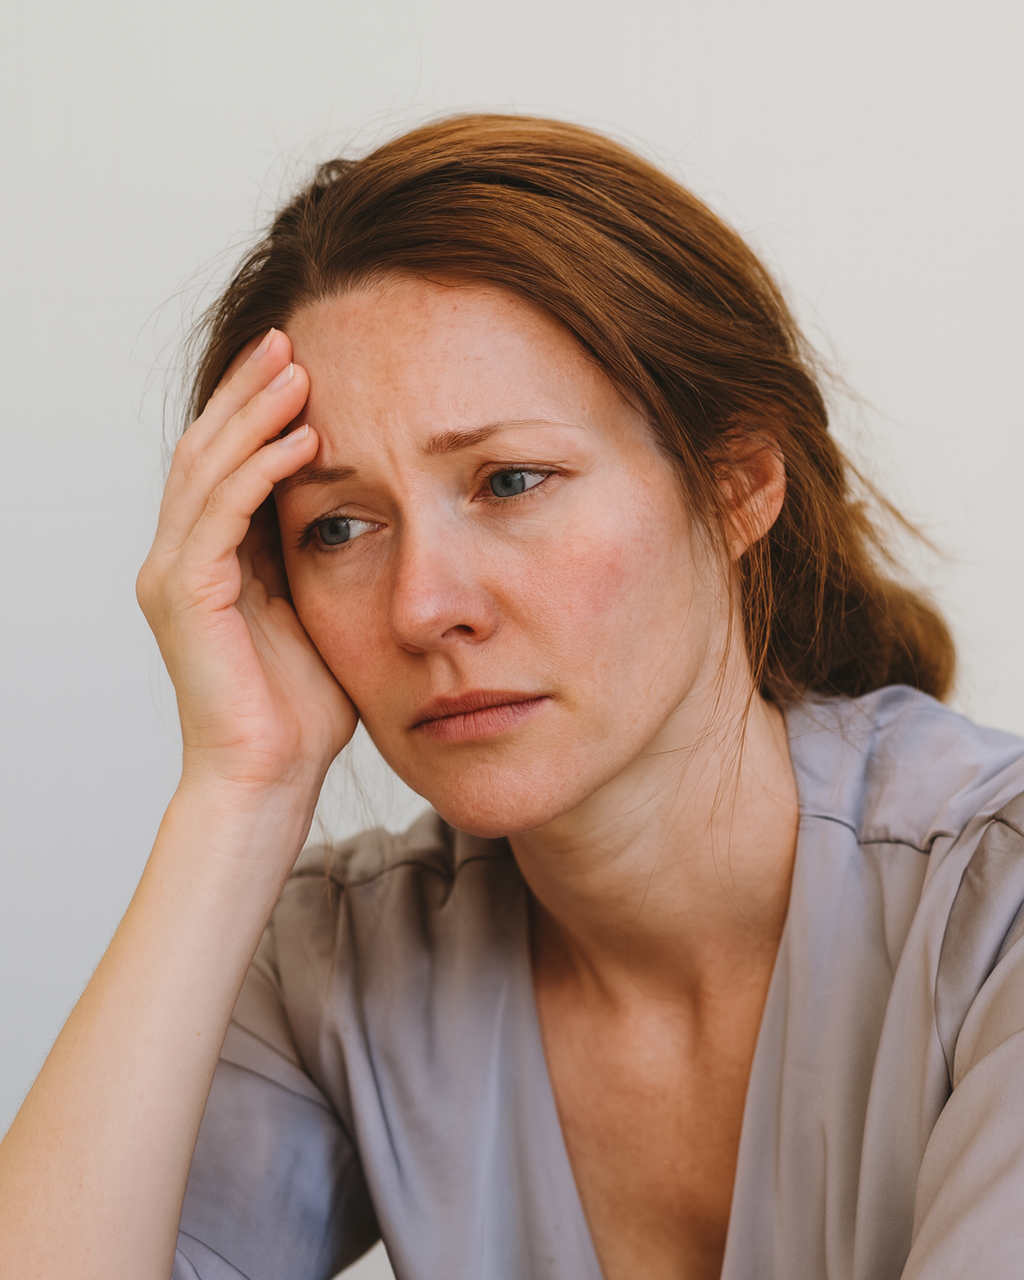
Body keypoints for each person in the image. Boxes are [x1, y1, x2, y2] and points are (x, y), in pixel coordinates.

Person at [2, 112, 1024, 1280]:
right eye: (337, 527)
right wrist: (239, 791)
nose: (422, 605)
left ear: (737, 482)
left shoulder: (996, 910)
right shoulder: (341, 961)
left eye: (510, 479)